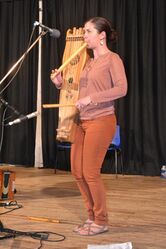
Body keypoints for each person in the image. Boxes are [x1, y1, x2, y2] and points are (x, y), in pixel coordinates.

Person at [51, 16, 127, 236]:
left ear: (101, 36)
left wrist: (92, 98)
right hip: (82, 121)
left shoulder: (113, 59)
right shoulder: (88, 62)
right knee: (77, 171)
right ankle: (91, 215)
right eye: (84, 32)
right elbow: (79, 92)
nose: (84, 36)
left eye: (88, 32)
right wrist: (60, 83)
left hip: (102, 120)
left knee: (90, 172)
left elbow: (122, 89)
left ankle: (101, 220)